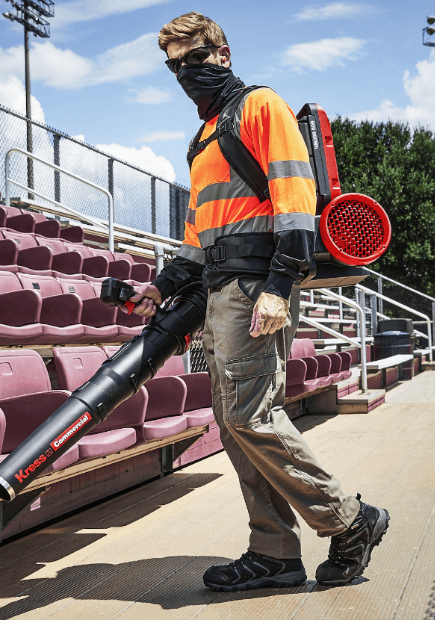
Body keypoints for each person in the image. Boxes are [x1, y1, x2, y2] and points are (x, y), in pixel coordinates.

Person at [127, 11, 389, 591]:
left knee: (250, 415)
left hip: (254, 288)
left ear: (222, 53)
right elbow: (199, 230)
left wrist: (281, 282)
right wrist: (163, 286)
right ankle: (273, 552)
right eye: (174, 66)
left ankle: (349, 520)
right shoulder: (202, 137)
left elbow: (294, 194)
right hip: (217, 291)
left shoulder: (259, 105)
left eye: (195, 58)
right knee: (234, 423)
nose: (185, 72)